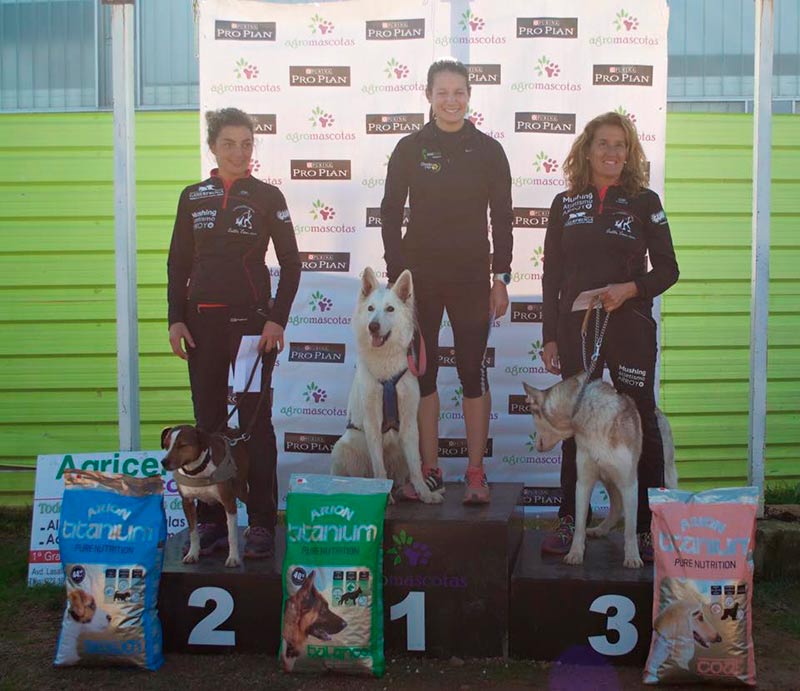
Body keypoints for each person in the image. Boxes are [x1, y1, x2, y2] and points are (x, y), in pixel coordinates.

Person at [540, 111, 679, 559]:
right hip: (576, 326)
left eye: (620, 145)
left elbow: (669, 269)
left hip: (630, 324)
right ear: (587, 149)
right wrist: (549, 335)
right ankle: (568, 519)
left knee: (641, 417)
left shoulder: (645, 201)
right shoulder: (565, 203)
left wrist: (631, 289)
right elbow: (551, 274)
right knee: (575, 417)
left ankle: (647, 526)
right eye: (603, 143)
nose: (612, 152)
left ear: (629, 152)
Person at [167, 107, 301, 558]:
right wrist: (175, 318)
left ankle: (261, 522)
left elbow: (292, 264)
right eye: (229, 144)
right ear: (212, 146)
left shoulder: (268, 196)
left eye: (246, 144)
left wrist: (276, 319)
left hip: (251, 328)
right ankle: (211, 524)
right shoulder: (192, 197)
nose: (239, 152)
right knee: (207, 426)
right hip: (201, 326)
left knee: (254, 425)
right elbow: (178, 264)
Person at [380, 58, 514, 504]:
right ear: (429, 96)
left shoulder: (489, 150)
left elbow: (503, 217)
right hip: (420, 281)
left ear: (469, 96)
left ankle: (476, 473)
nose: (451, 101)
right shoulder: (410, 148)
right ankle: (429, 470)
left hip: (472, 278)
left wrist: (500, 277)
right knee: (425, 374)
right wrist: (398, 279)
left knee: (472, 372)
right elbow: (389, 213)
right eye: (442, 93)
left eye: (459, 92)